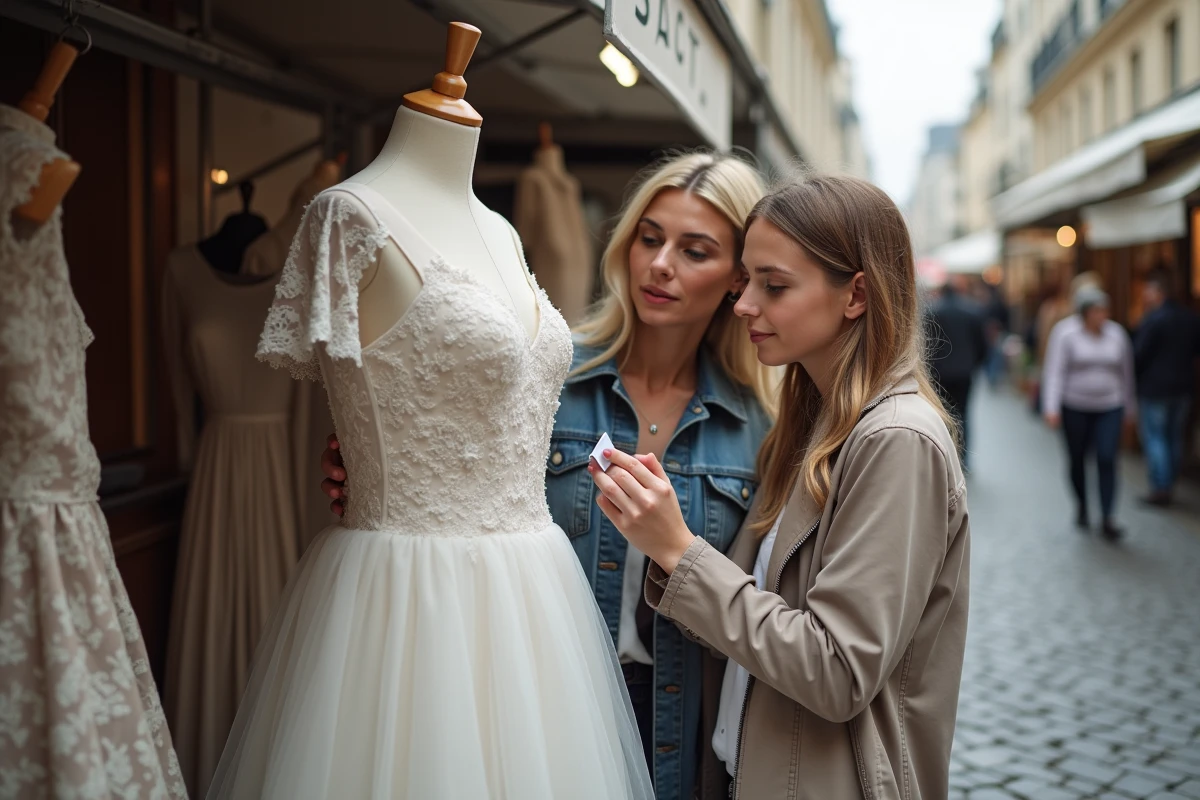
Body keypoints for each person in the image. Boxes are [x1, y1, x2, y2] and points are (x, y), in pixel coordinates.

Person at [320, 151, 776, 800]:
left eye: (695, 250)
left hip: (682, 713)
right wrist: (370, 460)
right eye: (649, 238)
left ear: (737, 278)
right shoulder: (546, 371)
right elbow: (449, 463)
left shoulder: (760, 428)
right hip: (538, 705)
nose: (660, 264)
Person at [588, 174, 969, 798]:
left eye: (774, 285)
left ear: (856, 296)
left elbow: (837, 671)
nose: (743, 306)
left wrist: (678, 550)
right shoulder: (812, 424)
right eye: (747, 281)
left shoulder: (897, 439)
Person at [1041, 285, 1136, 539]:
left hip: (1110, 405)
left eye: (1104, 310)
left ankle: (1107, 516)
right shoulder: (1065, 333)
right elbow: (1054, 371)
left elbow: (1126, 373)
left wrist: (1129, 406)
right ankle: (1082, 503)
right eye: (1096, 311)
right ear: (1084, 313)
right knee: (1077, 458)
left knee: (1107, 458)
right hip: (1075, 406)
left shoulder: (1117, 334)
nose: (1101, 315)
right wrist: (1051, 407)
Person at [1133, 270, 1199, 506]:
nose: (1146, 296)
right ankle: (1170, 481)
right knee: (1173, 436)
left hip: (1156, 388)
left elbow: (1139, 354)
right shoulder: (1190, 318)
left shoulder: (1153, 319)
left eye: (1149, 291)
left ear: (1158, 292)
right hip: (1183, 387)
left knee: (1156, 437)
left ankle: (1161, 487)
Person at [925, 276, 987, 468]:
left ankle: (944, 456)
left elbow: (927, 344)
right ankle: (963, 457)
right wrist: (974, 364)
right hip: (964, 372)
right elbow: (982, 345)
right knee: (964, 414)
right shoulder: (971, 311)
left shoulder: (933, 312)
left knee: (943, 414)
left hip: (940, 372)